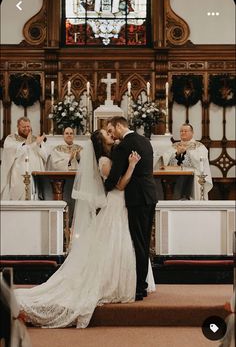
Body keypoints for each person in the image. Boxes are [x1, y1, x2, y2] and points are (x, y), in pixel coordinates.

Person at [15, 129, 155, 328]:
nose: (111, 135)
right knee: (117, 242)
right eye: (107, 134)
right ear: (101, 142)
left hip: (122, 205)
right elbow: (121, 185)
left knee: (125, 241)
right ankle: (114, 282)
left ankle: (132, 281)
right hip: (117, 203)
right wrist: (132, 166)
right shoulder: (104, 163)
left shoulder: (112, 155)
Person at [105, 116, 157, 301]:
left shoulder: (123, 146)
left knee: (138, 243)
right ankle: (141, 285)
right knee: (144, 242)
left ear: (119, 126)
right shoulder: (145, 141)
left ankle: (138, 287)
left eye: (112, 130)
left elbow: (114, 176)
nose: (112, 134)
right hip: (150, 195)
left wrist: (103, 189)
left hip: (136, 198)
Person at [1, 117, 48, 200]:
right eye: (24, 127)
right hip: (18, 177)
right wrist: (27, 144)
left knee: (34, 198)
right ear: (18, 127)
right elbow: (13, 153)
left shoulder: (36, 139)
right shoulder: (11, 139)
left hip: (34, 176)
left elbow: (45, 156)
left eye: (28, 126)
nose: (27, 129)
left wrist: (38, 145)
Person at [163, 123, 213, 200]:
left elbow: (201, 160)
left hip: (193, 175)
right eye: (181, 131)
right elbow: (165, 159)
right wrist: (177, 153)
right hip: (175, 175)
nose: (183, 133)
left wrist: (187, 151)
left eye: (185, 131)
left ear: (192, 133)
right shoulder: (175, 145)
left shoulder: (199, 146)